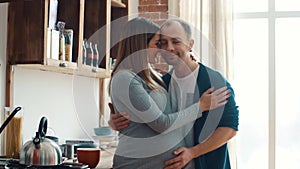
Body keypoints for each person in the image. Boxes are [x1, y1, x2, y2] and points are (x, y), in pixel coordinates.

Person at [109, 18, 239, 169]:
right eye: (162, 43)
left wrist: (193, 153)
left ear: (190, 45)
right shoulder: (163, 82)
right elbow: (149, 117)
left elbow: (229, 129)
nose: (168, 48)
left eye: (176, 42)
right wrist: (114, 121)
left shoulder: (213, 81)